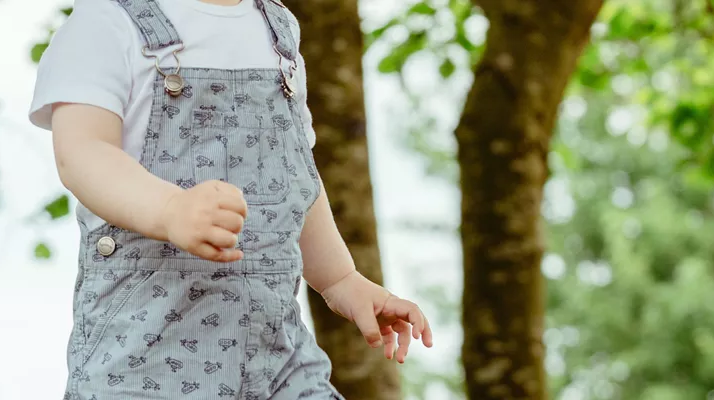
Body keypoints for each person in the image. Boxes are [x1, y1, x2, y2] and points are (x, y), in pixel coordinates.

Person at [28, 0, 435, 398]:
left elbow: (293, 175)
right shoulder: (107, 22)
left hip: (278, 359)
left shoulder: (278, 32)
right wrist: (170, 210)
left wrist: (341, 279)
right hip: (148, 360)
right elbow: (82, 153)